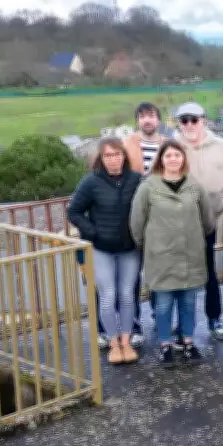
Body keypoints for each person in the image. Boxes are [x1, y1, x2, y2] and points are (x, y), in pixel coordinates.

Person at [130, 140, 215, 368]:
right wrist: (148, 245)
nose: (173, 159)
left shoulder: (194, 186)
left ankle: (188, 342)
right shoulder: (148, 187)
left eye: (177, 155)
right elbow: (137, 222)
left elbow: (208, 221)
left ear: (183, 159)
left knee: (188, 302)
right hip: (161, 257)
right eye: (168, 156)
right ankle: (165, 344)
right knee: (163, 305)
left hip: (190, 255)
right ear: (161, 159)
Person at [67, 138, 142, 365]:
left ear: (124, 156)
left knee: (127, 295)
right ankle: (113, 343)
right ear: (101, 158)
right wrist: (93, 231)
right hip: (101, 249)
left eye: (117, 154)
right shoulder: (91, 182)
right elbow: (74, 211)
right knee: (108, 295)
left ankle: (126, 341)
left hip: (129, 248)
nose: (113, 159)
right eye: (108, 155)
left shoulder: (136, 179)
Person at [174, 102, 223, 342]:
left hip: (211, 219)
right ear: (179, 123)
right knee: (182, 273)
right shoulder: (172, 147)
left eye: (194, 119)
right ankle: (183, 324)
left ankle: (214, 319)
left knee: (209, 271)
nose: (190, 124)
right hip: (180, 221)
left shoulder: (221, 145)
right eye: (184, 120)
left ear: (203, 121)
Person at [118, 101, 167, 349]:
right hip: (133, 217)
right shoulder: (126, 145)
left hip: (160, 219)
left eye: (151, 115)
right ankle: (134, 324)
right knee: (132, 276)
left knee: (158, 272)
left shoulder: (167, 144)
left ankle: (160, 316)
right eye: (143, 116)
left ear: (159, 120)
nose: (147, 120)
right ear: (137, 121)